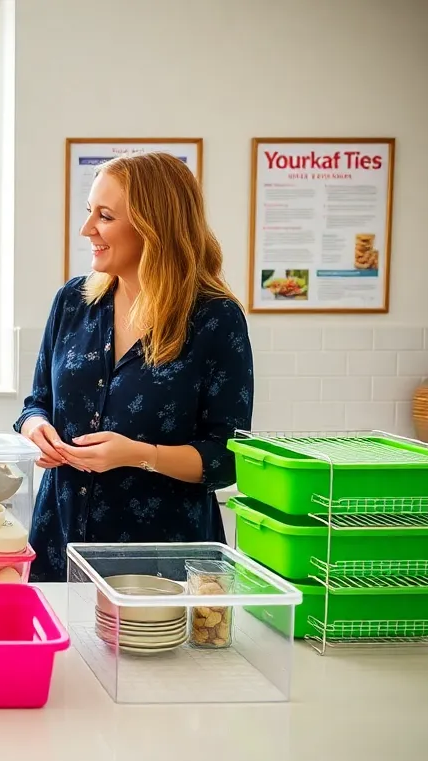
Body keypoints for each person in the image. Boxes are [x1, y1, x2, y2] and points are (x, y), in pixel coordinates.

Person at [14, 150, 254, 581]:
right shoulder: (73, 302)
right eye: (90, 211)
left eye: (105, 216)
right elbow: (37, 403)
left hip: (161, 561)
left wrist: (139, 456)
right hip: (59, 541)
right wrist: (37, 430)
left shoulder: (215, 319)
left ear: (153, 227)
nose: (87, 228)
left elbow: (226, 459)